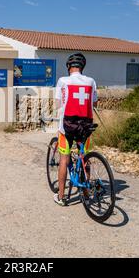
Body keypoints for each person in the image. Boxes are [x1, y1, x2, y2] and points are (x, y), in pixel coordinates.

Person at [54, 53, 98, 206]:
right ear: (82, 67)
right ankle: (86, 195)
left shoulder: (62, 81)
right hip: (85, 127)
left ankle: (61, 197)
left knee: (64, 160)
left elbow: (58, 105)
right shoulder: (91, 81)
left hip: (66, 127)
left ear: (68, 67)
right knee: (84, 158)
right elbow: (95, 103)